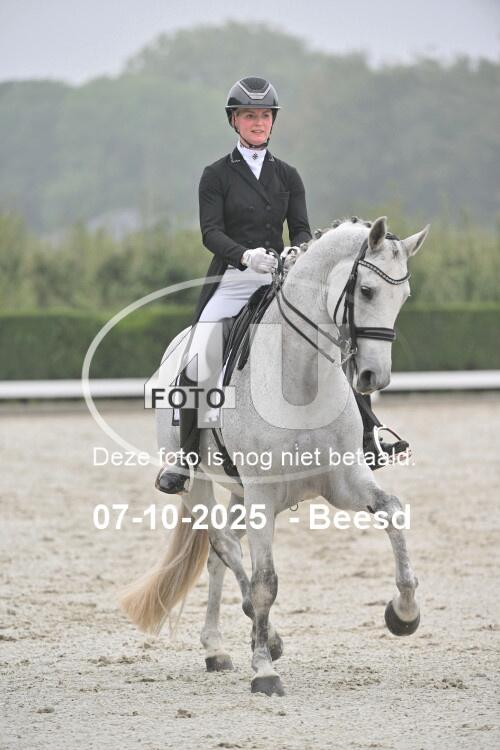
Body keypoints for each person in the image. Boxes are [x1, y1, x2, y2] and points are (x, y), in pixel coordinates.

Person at [156, 76, 407, 494]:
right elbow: (210, 232)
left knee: (337, 339)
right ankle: (185, 456)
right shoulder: (215, 175)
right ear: (234, 121)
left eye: (264, 116)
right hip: (234, 278)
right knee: (199, 355)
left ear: (272, 121)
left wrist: (297, 251)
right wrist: (245, 256)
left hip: (282, 277)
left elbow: (302, 229)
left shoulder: (288, 175)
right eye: (249, 116)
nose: (258, 122)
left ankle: (368, 436)